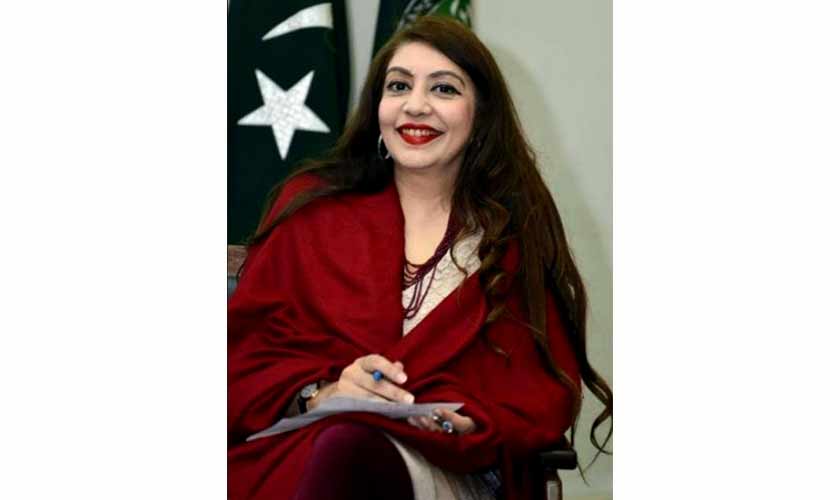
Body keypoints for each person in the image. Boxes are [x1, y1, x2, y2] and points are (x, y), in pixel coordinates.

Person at [228, 15, 612, 500]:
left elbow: (539, 394)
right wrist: (321, 393)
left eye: (444, 89)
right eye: (398, 86)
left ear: (480, 115)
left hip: (448, 466)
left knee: (351, 448)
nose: (415, 105)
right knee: (341, 445)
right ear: (377, 106)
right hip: (304, 452)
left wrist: (467, 419)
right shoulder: (310, 210)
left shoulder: (509, 237)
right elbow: (241, 362)